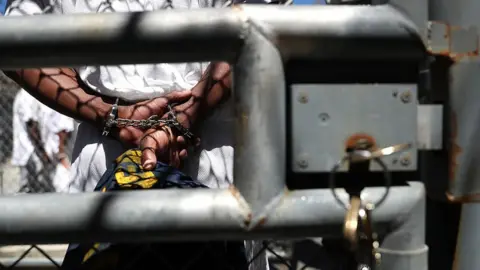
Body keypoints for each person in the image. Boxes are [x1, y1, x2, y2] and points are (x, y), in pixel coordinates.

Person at [2, 0, 269, 269]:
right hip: (193, 147)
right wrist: (187, 114)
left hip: (145, 144)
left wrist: (110, 114)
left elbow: (16, 37)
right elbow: (260, 20)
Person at [12, 88, 75, 193]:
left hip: (44, 153)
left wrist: (56, 152)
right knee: (30, 189)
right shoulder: (26, 95)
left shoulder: (41, 93)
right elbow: (31, 126)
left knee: (53, 186)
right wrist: (43, 152)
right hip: (30, 152)